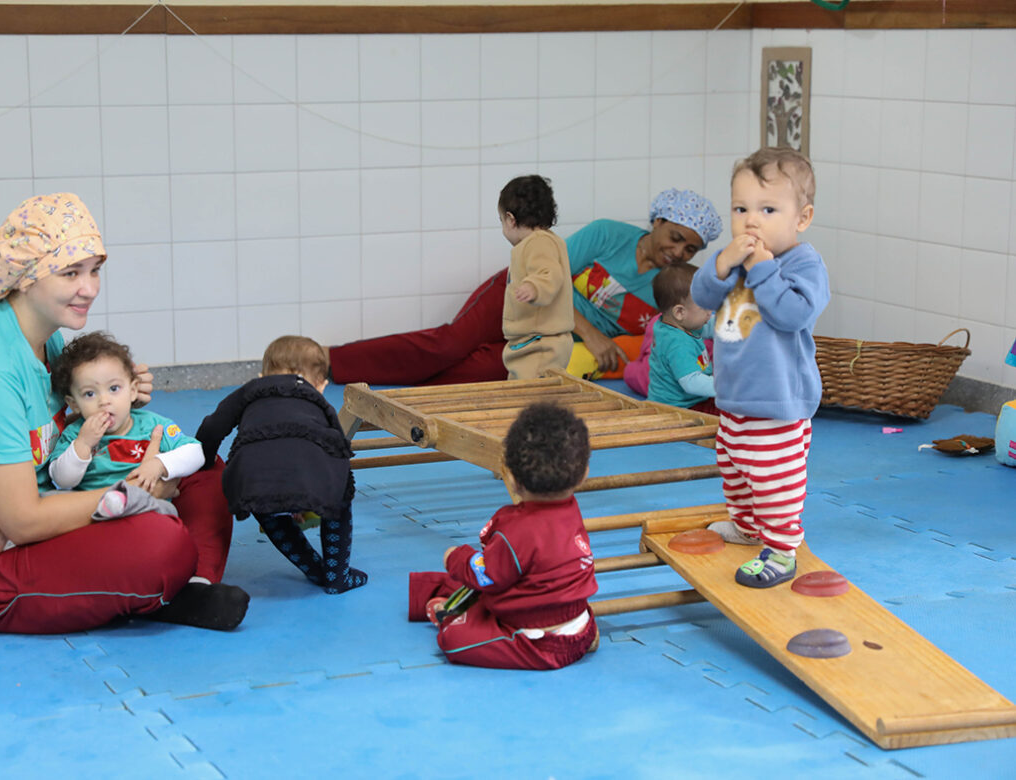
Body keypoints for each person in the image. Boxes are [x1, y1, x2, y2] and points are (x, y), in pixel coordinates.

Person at [0, 193, 247, 633]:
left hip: (49, 509)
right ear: (26, 277)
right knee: (161, 542)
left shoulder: (46, 340)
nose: (89, 288)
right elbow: (21, 521)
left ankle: (187, 587)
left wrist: (120, 411)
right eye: (70, 273)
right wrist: (135, 494)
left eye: (94, 270)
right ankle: (159, 585)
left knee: (203, 467)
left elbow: (55, 433)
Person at [327, 189, 722, 388]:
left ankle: (381, 396)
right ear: (657, 222)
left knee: (482, 371)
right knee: (448, 346)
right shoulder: (607, 235)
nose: (678, 252)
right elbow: (547, 274)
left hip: (546, 336)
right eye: (675, 238)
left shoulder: (671, 288)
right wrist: (591, 334)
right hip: (518, 292)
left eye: (690, 249)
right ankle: (329, 361)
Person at [690, 148, 830, 589]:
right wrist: (721, 263)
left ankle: (783, 549)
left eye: (768, 210)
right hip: (734, 397)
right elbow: (701, 297)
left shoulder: (803, 264)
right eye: (741, 209)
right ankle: (748, 527)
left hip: (777, 402)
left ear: (802, 218)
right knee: (735, 469)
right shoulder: (731, 260)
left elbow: (792, 314)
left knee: (773, 481)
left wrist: (763, 269)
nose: (752, 221)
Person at [0, 331, 201, 555]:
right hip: (87, 512)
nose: (104, 401)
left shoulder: (152, 425)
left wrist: (159, 465)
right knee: (48, 501)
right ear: (74, 404)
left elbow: (195, 451)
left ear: (132, 391)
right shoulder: (75, 434)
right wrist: (83, 445)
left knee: (165, 511)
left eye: (114, 389)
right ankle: (4, 533)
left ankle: (122, 502)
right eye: (90, 394)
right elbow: (62, 479)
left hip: (144, 511)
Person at [407, 403, 598, 670]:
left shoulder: (518, 530)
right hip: (577, 617)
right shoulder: (570, 508)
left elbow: (488, 576)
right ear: (583, 475)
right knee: (473, 579)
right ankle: (583, 637)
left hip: (540, 641)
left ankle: (451, 616)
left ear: (510, 476)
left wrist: (455, 557)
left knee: (453, 639)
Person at [195, 336, 365, 594]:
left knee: (264, 505)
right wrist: (315, 494)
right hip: (314, 470)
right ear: (322, 385)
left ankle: (312, 567)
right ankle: (337, 575)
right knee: (340, 498)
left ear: (262, 376)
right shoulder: (318, 400)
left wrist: (205, 461)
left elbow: (212, 427)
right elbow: (338, 446)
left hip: (254, 475)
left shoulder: (250, 391)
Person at [498, 175, 574, 380]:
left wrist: (534, 287)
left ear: (511, 219)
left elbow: (550, 273)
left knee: (531, 393)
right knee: (522, 390)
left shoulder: (538, 242)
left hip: (540, 344)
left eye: (501, 221)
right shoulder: (544, 241)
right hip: (534, 341)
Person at [646, 263, 718, 415]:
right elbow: (692, 383)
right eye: (704, 307)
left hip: (687, 399)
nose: (710, 311)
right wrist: (725, 387)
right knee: (730, 412)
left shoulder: (678, 324)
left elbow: (711, 328)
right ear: (679, 312)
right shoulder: (677, 344)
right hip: (678, 407)